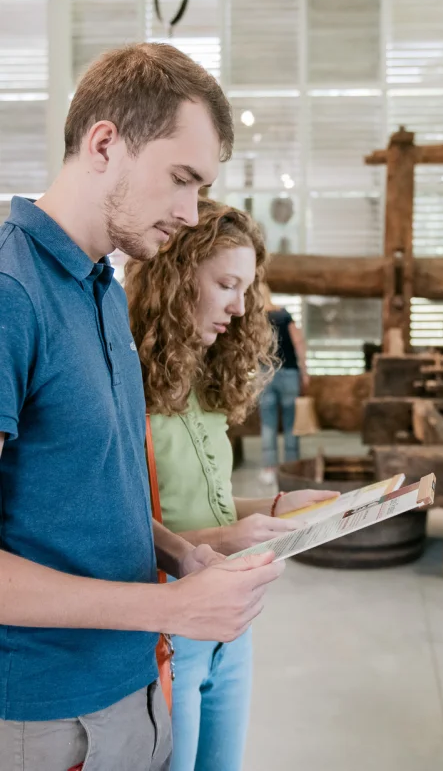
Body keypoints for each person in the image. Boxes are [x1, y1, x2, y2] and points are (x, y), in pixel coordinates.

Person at [0, 43, 284, 771]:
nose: (192, 214)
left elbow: (95, 488)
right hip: (47, 716)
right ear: (104, 144)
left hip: (134, 690)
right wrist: (170, 610)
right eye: (181, 180)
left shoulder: (99, 287)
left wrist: (184, 554)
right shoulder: (11, 293)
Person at [126, 199, 337, 771]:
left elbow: (207, 500)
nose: (240, 307)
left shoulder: (203, 372)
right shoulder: (122, 377)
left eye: (246, 289)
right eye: (225, 284)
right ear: (175, 275)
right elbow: (123, 523)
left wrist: (273, 505)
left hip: (233, 622)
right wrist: (227, 536)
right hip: (168, 623)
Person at [259, 284, 310, 485]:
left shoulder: (254, 319)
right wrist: (304, 371)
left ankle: (270, 469)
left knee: (268, 423)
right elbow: (299, 343)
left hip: (264, 375)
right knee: (291, 424)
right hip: (289, 373)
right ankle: (292, 468)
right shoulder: (283, 314)